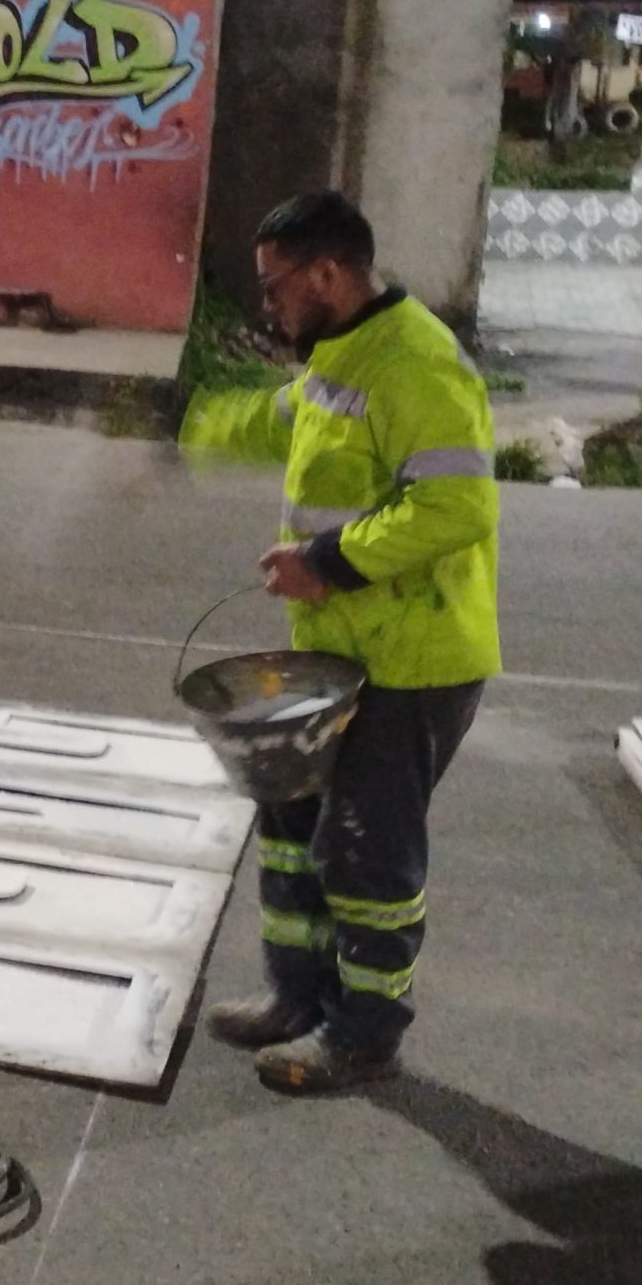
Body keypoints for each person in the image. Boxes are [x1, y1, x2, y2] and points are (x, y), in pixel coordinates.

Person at [179, 191, 499, 1094]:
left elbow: (456, 507)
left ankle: (364, 1036)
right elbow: (284, 419)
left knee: (366, 853)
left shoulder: (417, 366)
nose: (267, 304)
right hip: (337, 652)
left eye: (276, 284)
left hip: (412, 661)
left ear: (328, 273)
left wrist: (326, 561)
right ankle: (297, 997)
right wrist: (192, 423)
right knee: (290, 824)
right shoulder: (340, 358)